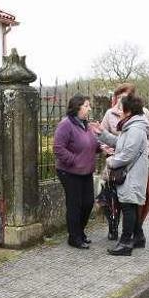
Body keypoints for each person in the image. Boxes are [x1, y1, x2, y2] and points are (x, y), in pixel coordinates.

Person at [99, 83, 149, 240]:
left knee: (130, 203)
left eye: (124, 97)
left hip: (128, 165)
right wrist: (104, 140)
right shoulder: (111, 114)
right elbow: (120, 142)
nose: (120, 101)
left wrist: (143, 153)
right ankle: (122, 231)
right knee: (114, 199)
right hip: (118, 164)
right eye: (118, 97)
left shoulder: (138, 121)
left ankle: (128, 239)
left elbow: (133, 148)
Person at [95, 94, 149, 255]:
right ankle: (139, 237)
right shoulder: (132, 126)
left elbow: (127, 154)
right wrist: (102, 133)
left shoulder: (135, 128)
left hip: (131, 175)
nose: (118, 111)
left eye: (121, 108)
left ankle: (125, 243)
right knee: (130, 206)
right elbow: (120, 143)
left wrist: (111, 161)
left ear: (128, 111)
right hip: (132, 174)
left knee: (128, 207)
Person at [53, 95, 102, 249]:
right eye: (86, 105)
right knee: (75, 205)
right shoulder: (66, 124)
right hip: (69, 172)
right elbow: (58, 148)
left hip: (85, 171)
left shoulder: (85, 125)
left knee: (88, 203)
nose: (89, 108)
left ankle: (79, 232)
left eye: (89, 106)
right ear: (77, 107)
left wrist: (101, 149)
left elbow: (90, 144)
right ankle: (74, 237)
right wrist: (75, 160)